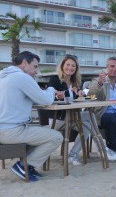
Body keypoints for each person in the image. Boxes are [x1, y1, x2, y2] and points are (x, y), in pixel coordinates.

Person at [0, 51, 63, 182]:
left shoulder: (3, 76)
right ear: (24, 63)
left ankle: (28, 166)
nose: (36, 71)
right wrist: (51, 90)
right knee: (56, 137)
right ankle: (23, 166)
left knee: (41, 132)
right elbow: (46, 100)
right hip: (11, 131)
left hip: (4, 129)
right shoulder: (22, 77)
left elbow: (26, 98)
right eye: (35, 66)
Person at [48, 54, 101, 165]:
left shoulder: (75, 82)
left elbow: (76, 99)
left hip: (71, 118)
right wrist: (63, 95)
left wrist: (80, 94)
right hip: (57, 119)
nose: (70, 68)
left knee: (88, 124)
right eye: (68, 65)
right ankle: (102, 148)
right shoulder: (54, 80)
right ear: (62, 66)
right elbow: (52, 97)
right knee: (89, 116)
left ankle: (73, 154)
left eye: (73, 66)